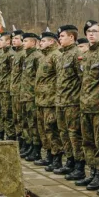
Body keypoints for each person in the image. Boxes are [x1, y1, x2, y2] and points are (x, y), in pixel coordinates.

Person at [78, 21, 99, 188]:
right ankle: (92, 171)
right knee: (87, 141)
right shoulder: (86, 55)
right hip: (85, 105)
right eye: (89, 31)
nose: (91, 34)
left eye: (95, 31)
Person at [54, 25, 83, 177]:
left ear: (71, 37)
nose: (60, 39)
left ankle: (79, 165)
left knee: (74, 134)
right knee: (64, 133)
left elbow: (82, 78)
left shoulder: (77, 54)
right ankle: (70, 160)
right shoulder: (61, 55)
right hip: (60, 101)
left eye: (62, 36)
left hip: (72, 102)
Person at [35, 31, 62, 169]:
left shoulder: (56, 56)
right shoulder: (44, 57)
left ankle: (56, 157)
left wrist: (56, 98)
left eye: (44, 41)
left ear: (52, 41)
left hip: (51, 100)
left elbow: (60, 78)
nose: (41, 43)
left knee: (52, 129)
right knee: (43, 129)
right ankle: (49, 155)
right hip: (41, 100)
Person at [19, 33, 43, 161]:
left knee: (34, 124)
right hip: (25, 96)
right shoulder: (27, 56)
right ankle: (30, 145)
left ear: (34, 43)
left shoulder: (37, 57)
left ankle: (36, 149)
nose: (23, 42)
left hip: (32, 96)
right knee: (27, 123)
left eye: (26, 40)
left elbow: (39, 79)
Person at [10, 30, 26, 146]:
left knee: (21, 118)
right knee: (16, 117)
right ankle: (19, 140)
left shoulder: (23, 54)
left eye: (16, 39)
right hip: (14, 90)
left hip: (21, 91)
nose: (13, 41)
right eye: (13, 39)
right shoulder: (16, 54)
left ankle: (23, 142)